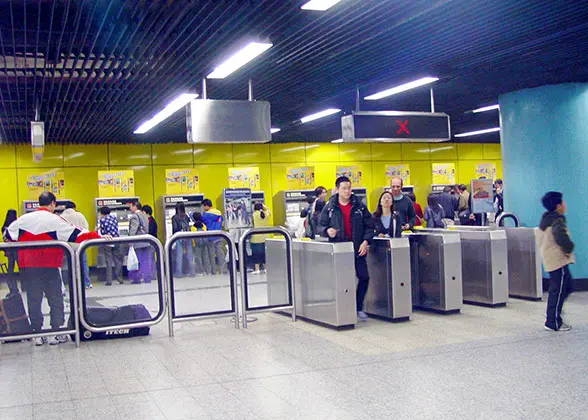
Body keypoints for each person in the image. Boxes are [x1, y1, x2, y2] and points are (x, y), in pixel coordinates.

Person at [7, 192, 104, 346]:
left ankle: (37, 333)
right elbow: (76, 235)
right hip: (49, 265)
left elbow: (8, 235)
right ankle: (56, 332)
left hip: (28, 266)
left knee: (34, 299)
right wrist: (99, 237)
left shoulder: (23, 220)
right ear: (52, 203)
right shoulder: (55, 220)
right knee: (55, 298)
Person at [318, 176, 375, 321]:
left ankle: (358, 306)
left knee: (364, 277)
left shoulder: (359, 206)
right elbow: (320, 226)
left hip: (357, 248)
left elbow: (370, 225)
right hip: (340, 249)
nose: (347, 191)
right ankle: (342, 307)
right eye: (344, 188)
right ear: (337, 189)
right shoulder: (330, 206)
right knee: (342, 280)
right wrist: (327, 230)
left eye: (349, 188)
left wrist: (365, 241)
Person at [537, 192, 575, 332]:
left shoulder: (547, 218)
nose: (564, 205)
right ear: (558, 206)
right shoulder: (557, 221)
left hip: (551, 258)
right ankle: (552, 321)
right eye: (563, 203)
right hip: (557, 259)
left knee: (565, 286)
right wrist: (569, 248)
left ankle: (554, 314)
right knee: (559, 289)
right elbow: (561, 238)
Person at [61, 202, 93, 289]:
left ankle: (71, 282)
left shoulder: (62, 217)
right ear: (74, 208)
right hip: (80, 244)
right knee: (83, 263)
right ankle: (86, 283)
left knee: (69, 263)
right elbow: (86, 227)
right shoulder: (79, 215)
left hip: (67, 245)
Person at [128, 200, 154, 284]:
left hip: (138, 242)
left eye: (131, 206)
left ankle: (137, 278)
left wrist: (130, 242)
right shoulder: (144, 215)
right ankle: (147, 277)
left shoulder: (135, 216)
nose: (130, 208)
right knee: (146, 261)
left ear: (135, 206)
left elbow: (133, 230)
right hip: (146, 241)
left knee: (137, 261)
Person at [97, 206, 124, 286]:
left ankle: (109, 280)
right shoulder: (114, 218)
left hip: (108, 241)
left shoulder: (102, 220)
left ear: (102, 213)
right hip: (116, 240)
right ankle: (120, 279)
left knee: (108, 261)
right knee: (117, 260)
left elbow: (102, 232)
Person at [201, 198, 226, 275]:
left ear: (207, 206)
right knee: (220, 253)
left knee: (211, 255)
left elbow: (200, 220)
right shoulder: (218, 213)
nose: (203, 208)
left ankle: (214, 271)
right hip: (219, 235)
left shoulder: (207, 215)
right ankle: (223, 269)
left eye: (203, 206)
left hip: (211, 236)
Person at [171, 202, 194, 278]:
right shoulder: (186, 216)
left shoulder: (175, 217)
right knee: (189, 255)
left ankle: (179, 272)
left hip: (179, 237)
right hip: (187, 237)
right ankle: (192, 272)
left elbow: (174, 229)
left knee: (179, 255)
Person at [2, 209, 19, 295]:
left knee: (10, 271)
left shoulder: (4, 227)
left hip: (9, 251)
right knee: (23, 269)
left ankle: (13, 289)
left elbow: (5, 238)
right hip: (18, 250)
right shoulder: (17, 225)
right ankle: (25, 287)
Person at [251, 202, 271, 274]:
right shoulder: (266, 214)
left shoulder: (253, 215)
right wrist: (263, 206)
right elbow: (269, 210)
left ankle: (257, 269)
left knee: (256, 254)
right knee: (264, 254)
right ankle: (266, 268)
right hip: (265, 237)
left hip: (255, 238)